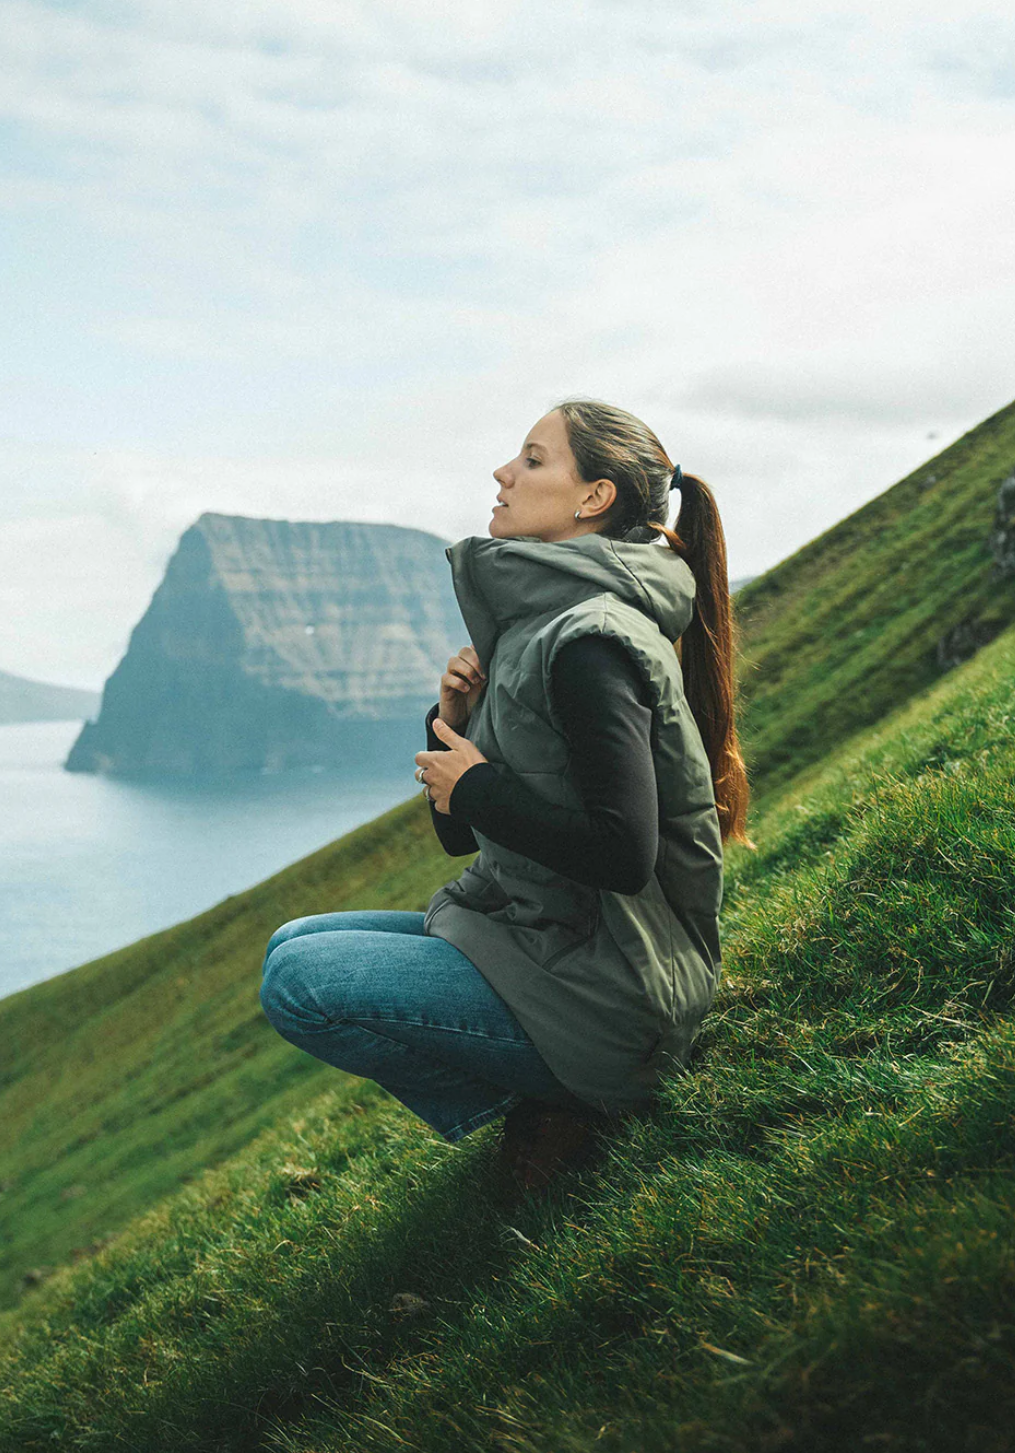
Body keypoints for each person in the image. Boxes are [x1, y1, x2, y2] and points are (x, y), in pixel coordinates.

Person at [260, 398, 751, 1190]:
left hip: (614, 989)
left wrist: (480, 785)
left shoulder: (591, 641)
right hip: (543, 938)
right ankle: (552, 1097)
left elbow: (624, 853)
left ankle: (567, 1104)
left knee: (299, 985)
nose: (502, 472)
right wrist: (451, 724)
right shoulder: (536, 622)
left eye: (531, 458)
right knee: (292, 943)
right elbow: (465, 836)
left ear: (593, 498)